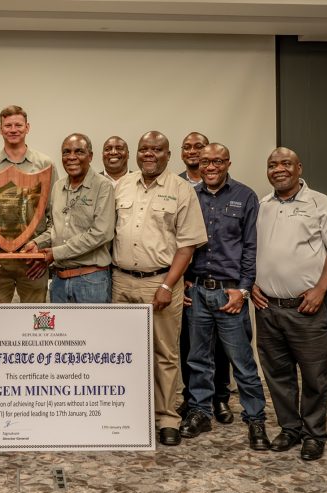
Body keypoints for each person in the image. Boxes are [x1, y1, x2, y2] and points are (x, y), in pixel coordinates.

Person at [252, 147, 327, 461]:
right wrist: (252, 283)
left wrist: (321, 289)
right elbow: (254, 250)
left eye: (286, 163)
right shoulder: (262, 206)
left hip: (307, 307)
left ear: (299, 168)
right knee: (277, 374)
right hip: (268, 307)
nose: (279, 169)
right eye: (272, 165)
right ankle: (290, 428)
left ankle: (313, 433)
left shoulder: (319, 203)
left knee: (314, 375)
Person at [112, 131, 207, 447]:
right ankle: (128, 414)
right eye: (144, 149)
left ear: (168, 154)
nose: (149, 154)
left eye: (156, 149)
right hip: (121, 280)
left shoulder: (181, 190)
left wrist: (168, 284)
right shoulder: (122, 185)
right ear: (137, 153)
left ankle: (166, 417)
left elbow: (187, 245)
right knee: (122, 352)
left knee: (164, 353)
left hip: (161, 282)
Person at [180, 143, 269, 450]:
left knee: (242, 362)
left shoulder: (245, 196)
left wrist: (243, 290)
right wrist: (184, 280)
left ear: (228, 163)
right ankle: (200, 412)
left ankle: (255, 419)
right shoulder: (189, 195)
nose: (211, 167)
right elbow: (182, 242)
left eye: (217, 161)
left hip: (230, 293)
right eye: (206, 161)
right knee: (198, 359)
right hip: (197, 290)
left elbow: (251, 247)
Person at [176, 131, 236, 426]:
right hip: (189, 281)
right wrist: (181, 278)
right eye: (187, 147)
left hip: (221, 280)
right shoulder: (175, 186)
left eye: (198, 147)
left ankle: (220, 397)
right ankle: (193, 399)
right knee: (190, 344)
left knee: (220, 345)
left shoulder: (227, 189)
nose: (193, 151)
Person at [0, 105, 54, 303]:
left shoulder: (44, 165)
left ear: (27, 127)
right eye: (8, 125)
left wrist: (43, 252)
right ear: (0, 129)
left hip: (33, 258)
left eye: (18, 125)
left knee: (34, 320)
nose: (13, 129)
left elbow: (55, 214)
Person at [23, 133, 115, 303]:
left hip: (91, 282)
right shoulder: (58, 187)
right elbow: (55, 228)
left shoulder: (103, 186)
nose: (71, 157)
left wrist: (56, 253)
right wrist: (37, 243)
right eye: (66, 152)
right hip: (59, 280)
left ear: (90, 156)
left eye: (79, 151)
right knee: (59, 323)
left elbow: (101, 233)